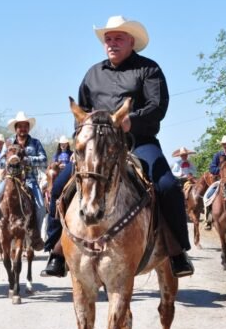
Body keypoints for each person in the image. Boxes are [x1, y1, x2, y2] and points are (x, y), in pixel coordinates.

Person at [42, 15, 194, 278]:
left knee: (168, 186)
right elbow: (82, 113)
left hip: (138, 143)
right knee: (59, 186)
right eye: (108, 39)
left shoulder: (149, 70)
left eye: (118, 38)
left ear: (131, 42)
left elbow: (158, 107)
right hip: (97, 148)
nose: (111, 43)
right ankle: (56, 250)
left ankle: (177, 250)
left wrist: (130, 122)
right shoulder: (92, 74)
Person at [0, 111, 47, 251]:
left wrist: (27, 160)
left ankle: (35, 236)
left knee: (41, 208)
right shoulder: (9, 143)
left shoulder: (35, 143)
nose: (23, 129)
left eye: (25, 126)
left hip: (29, 179)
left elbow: (44, 160)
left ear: (28, 128)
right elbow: (0, 161)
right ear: (16, 128)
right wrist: (10, 161)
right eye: (20, 126)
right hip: (10, 178)